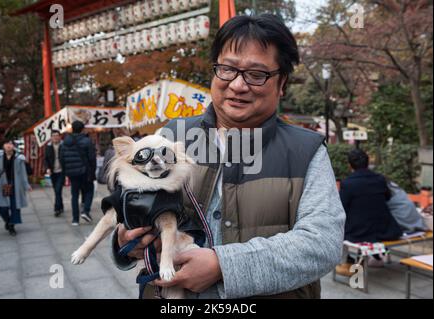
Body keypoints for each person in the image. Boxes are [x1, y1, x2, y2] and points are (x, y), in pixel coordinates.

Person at [111, 14, 346, 299]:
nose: (237, 85)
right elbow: (129, 205)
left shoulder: (305, 150)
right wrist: (126, 240)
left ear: (282, 83)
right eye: (227, 69)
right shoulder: (171, 136)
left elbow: (322, 243)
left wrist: (224, 265)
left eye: (256, 74)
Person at [340, 148, 402, 243]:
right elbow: (388, 197)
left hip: (358, 233)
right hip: (384, 230)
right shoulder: (380, 179)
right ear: (368, 163)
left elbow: (342, 208)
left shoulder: (347, 184)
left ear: (350, 165)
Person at [0, 139, 32, 235]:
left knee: (15, 207)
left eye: (10, 143)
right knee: (2, 209)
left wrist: (26, 185)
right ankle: (8, 221)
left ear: (13, 146)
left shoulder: (19, 158)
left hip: (16, 185)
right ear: (3, 146)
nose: (8, 145)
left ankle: (11, 226)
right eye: (6, 143)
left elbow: (23, 173)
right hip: (3, 185)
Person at [60, 121, 96, 226]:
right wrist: (92, 172)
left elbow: (61, 157)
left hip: (71, 172)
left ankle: (75, 219)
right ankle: (85, 211)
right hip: (84, 171)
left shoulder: (65, 141)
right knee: (89, 190)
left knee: (74, 194)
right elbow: (92, 158)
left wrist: (65, 170)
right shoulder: (86, 141)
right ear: (82, 129)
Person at [44, 130, 65, 217]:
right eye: (53, 135)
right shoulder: (48, 146)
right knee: (57, 191)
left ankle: (57, 209)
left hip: (62, 171)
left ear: (60, 136)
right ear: (51, 137)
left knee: (58, 189)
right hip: (53, 172)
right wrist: (47, 168)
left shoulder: (63, 145)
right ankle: (61, 206)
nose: (55, 137)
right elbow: (45, 159)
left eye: (57, 135)